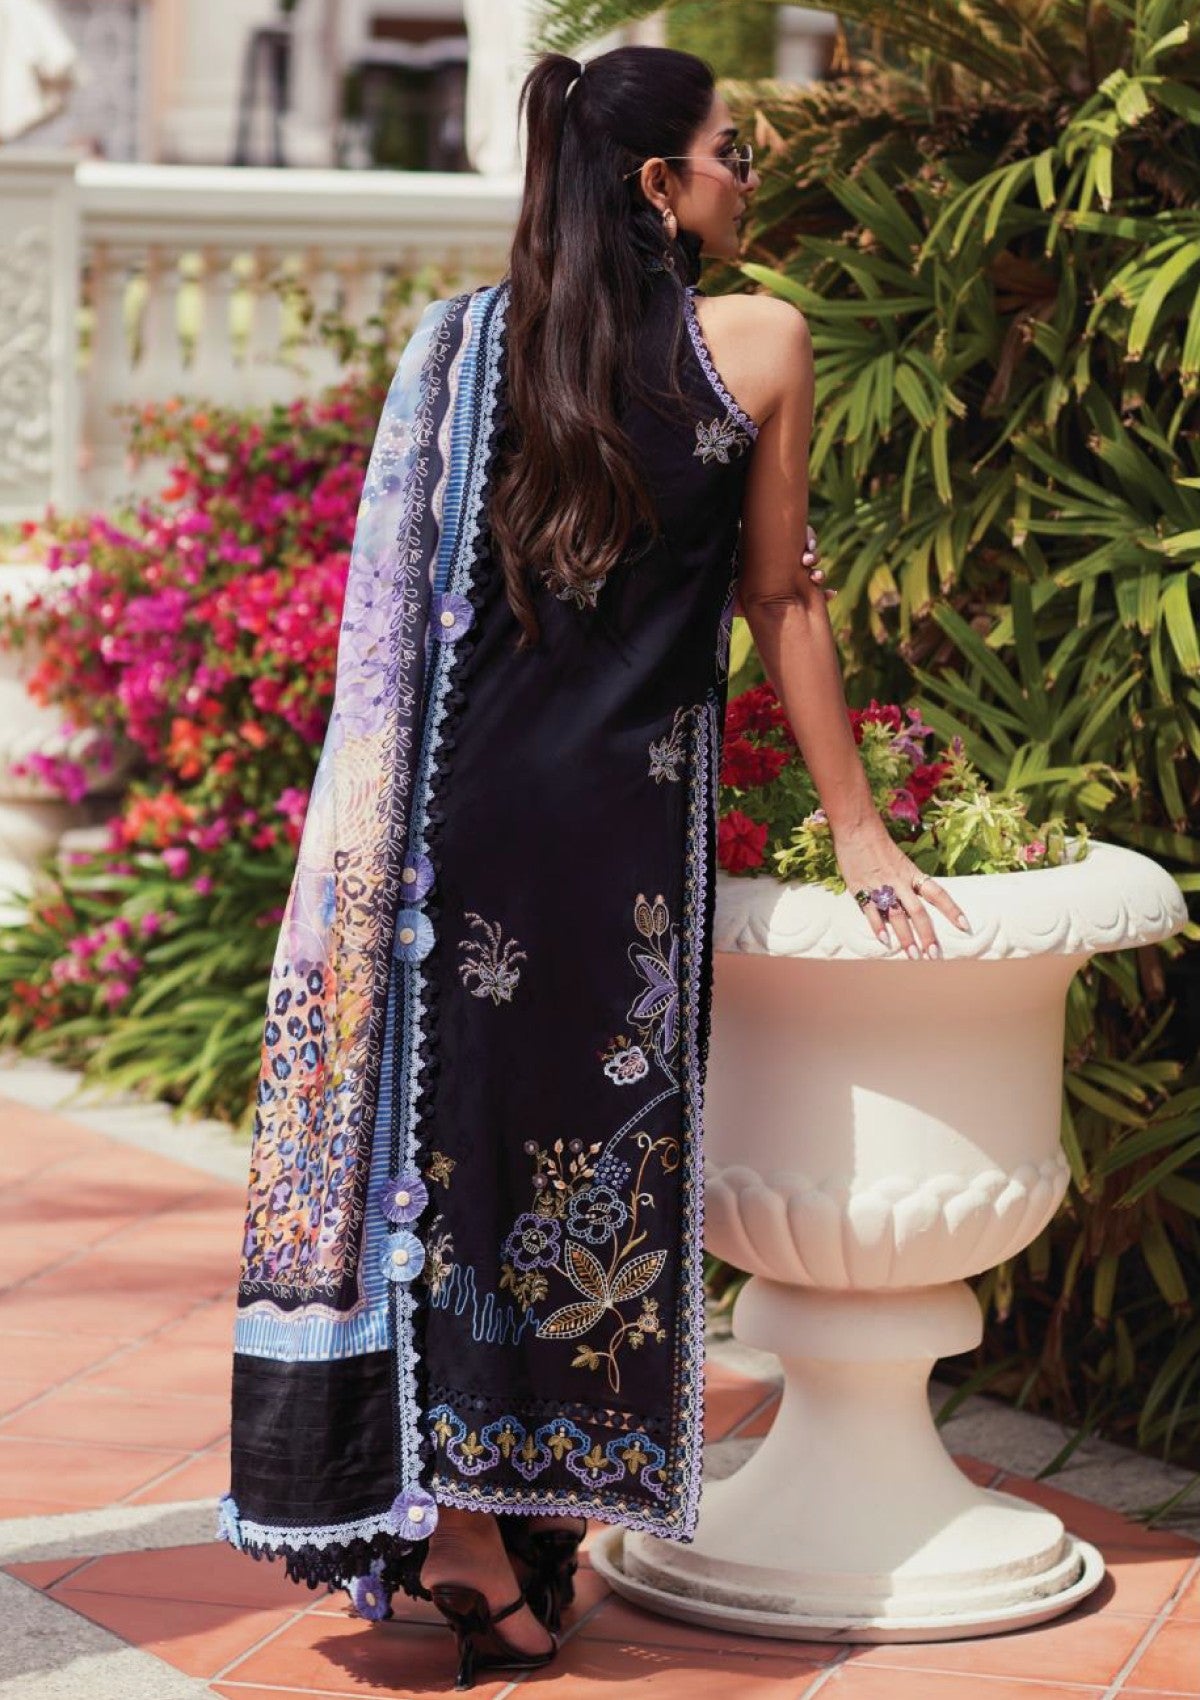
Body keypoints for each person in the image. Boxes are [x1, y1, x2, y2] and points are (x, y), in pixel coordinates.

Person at [218, 43, 972, 1690]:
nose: (750, 174)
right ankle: (487, 1534)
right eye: (732, 149)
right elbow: (785, 597)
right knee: (585, 1181)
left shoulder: (464, 345)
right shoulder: (760, 338)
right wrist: (860, 829)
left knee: (452, 1171)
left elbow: (408, 622)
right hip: (615, 841)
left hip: (450, 831)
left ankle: (478, 1527)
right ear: (659, 183)